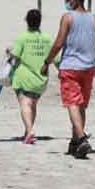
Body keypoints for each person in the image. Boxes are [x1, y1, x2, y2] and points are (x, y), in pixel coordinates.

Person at [42, 0, 95, 158]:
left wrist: (47, 62)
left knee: (72, 103)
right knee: (80, 105)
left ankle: (81, 137)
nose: (66, 1)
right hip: (88, 68)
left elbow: (58, 43)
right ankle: (74, 142)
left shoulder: (67, 18)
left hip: (70, 66)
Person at [10, 9, 55, 145]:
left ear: (27, 21)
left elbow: (15, 55)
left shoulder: (22, 37)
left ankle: (29, 132)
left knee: (25, 103)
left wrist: (8, 52)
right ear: (40, 22)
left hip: (24, 77)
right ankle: (27, 131)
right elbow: (56, 58)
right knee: (32, 104)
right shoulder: (47, 39)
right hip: (40, 79)